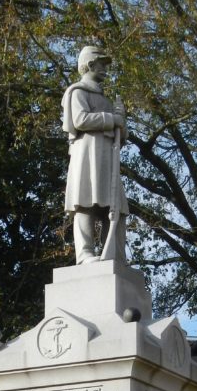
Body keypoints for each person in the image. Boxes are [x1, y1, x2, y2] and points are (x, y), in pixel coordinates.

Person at [61, 45, 129, 264]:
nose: (105, 69)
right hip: (87, 154)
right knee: (84, 201)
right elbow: (80, 120)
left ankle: (116, 255)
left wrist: (120, 120)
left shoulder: (107, 100)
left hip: (107, 157)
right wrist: (112, 120)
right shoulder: (77, 92)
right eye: (102, 64)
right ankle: (85, 253)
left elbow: (121, 135)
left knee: (116, 206)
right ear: (90, 65)